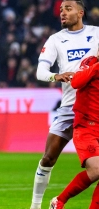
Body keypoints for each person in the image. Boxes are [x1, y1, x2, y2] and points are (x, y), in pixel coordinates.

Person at [31, 0, 99, 209]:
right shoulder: (55, 40)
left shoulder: (96, 34)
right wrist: (55, 76)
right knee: (49, 158)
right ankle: (35, 205)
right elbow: (40, 72)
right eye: (61, 9)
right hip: (69, 107)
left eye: (68, 9)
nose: (62, 12)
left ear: (81, 13)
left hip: (94, 108)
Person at [49, 55, 99, 209]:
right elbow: (76, 82)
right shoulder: (91, 63)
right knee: (97, 169)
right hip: (86, 127)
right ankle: (59, 200)